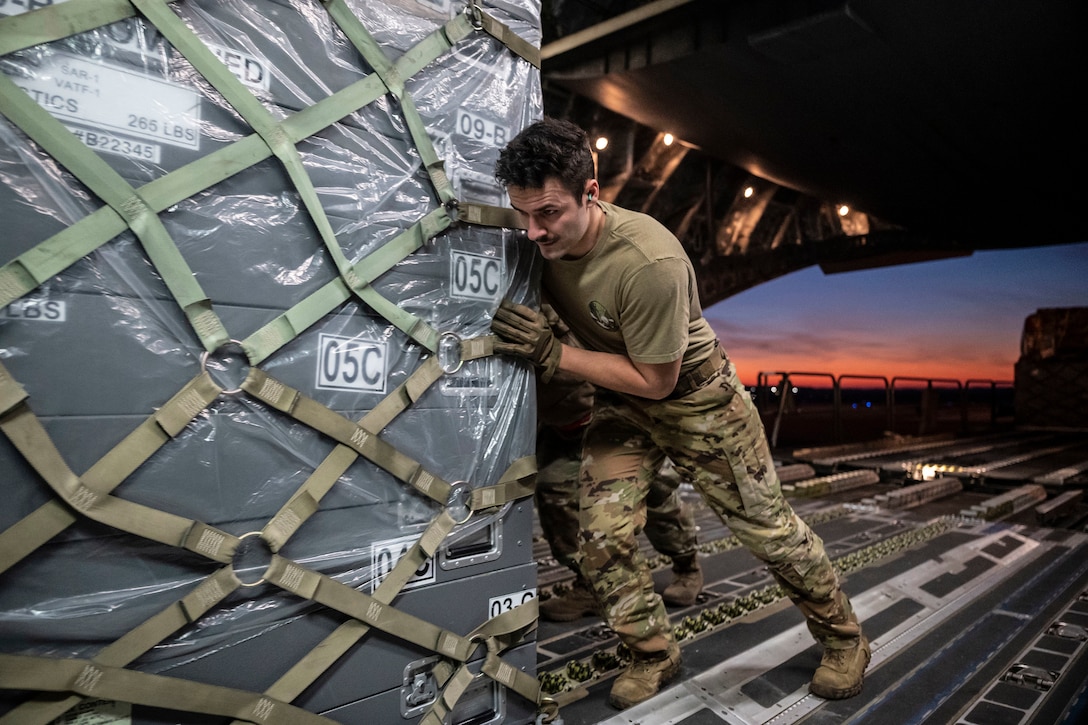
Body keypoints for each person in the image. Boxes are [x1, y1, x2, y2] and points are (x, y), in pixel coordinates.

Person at [490, 118, 869, 710]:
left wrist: (553, 353)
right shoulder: (541, 242)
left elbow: (657, 378)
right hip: (622, 404)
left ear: (591, 193)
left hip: (697, 400)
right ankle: (652, 653)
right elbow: (625, 379)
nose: (533, 232)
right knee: (601, 539)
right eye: (523, 214)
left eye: (549, 213)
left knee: (769, 533)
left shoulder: (647, 262)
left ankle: (845, 641)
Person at [536, 367, 703, 622]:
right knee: (554, 494)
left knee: (655, 493)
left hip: (620, 415)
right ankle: (593, 584)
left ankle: (687, 566)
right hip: (562, 425)